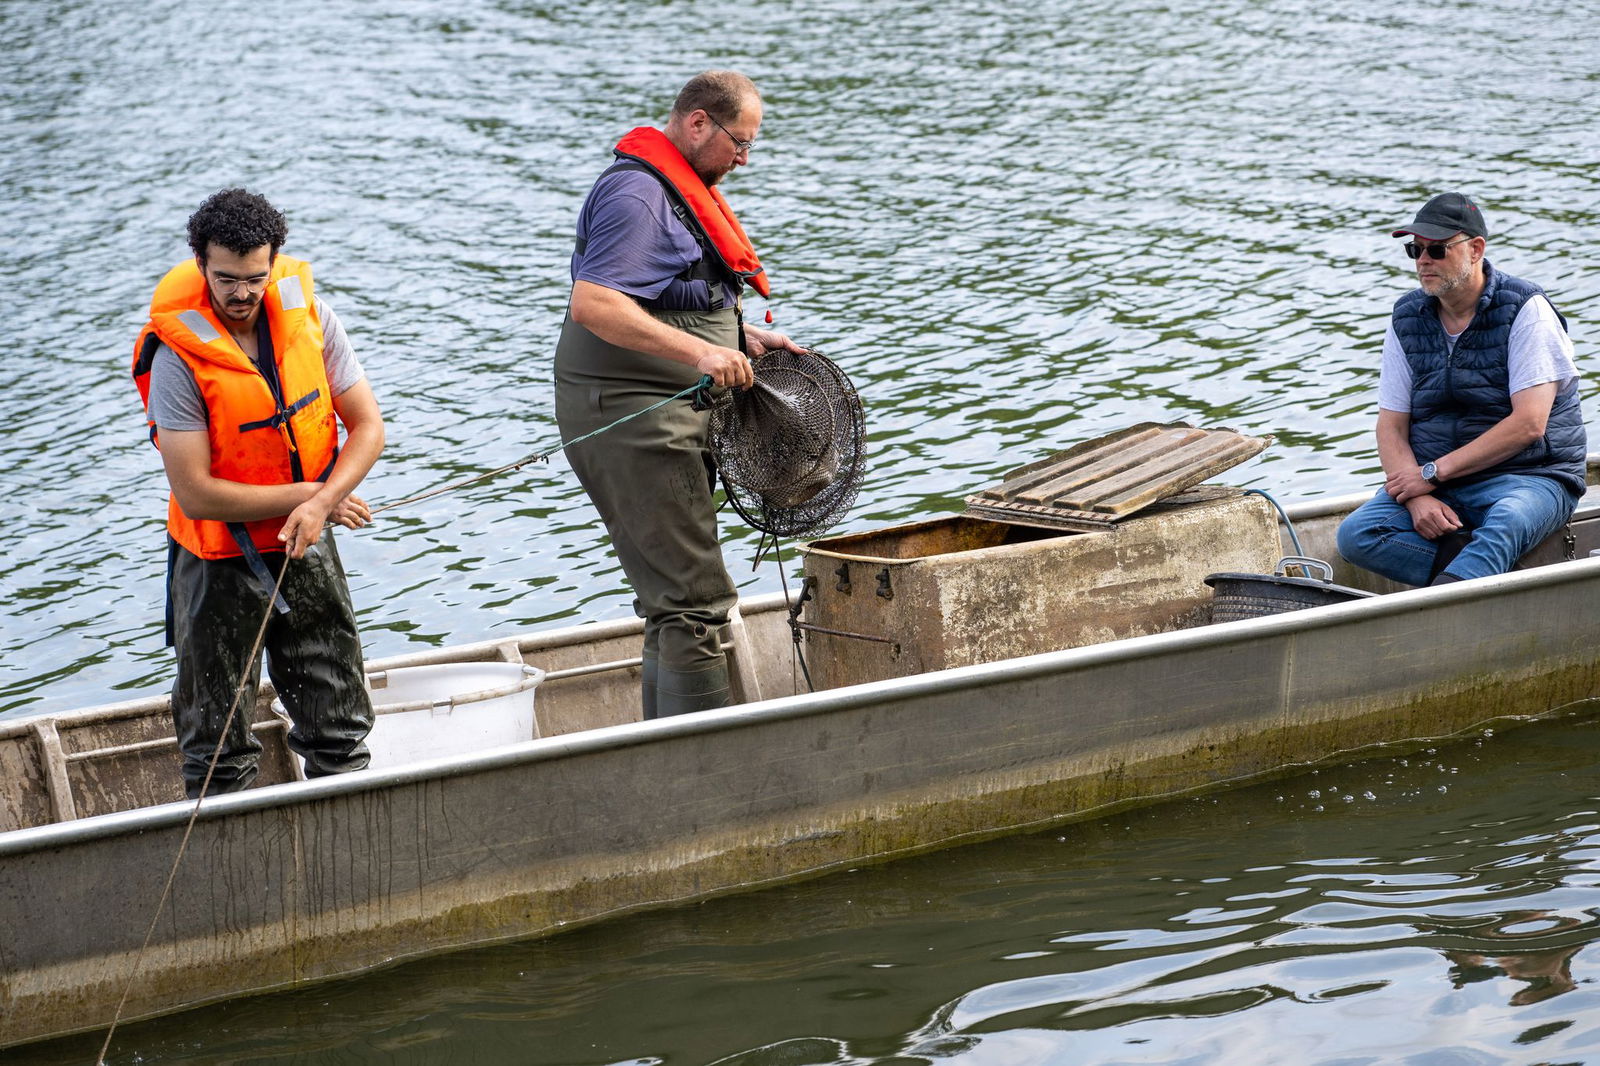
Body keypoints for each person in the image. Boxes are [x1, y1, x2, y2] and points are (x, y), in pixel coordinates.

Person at [553, 70, 801, 719]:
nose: (743, 159)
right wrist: (701, 352)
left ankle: (667, 753)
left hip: (666, 411)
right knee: (693, 603)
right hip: (634, 419)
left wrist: (738, 338)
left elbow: (673, 298)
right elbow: (596, 304)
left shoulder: (676, 190)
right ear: (697, 123)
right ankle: (703, 772)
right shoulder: (638, 196)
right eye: (739, 144)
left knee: (675, 603)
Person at [131, 188, 386, 797]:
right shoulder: (178, 358)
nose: (242, 294)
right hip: (218, 564)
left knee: (340, 725)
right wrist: (311, 495)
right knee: (217, 745)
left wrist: (322, 503)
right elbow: (196, 494)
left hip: (306, 543)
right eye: (225, 279)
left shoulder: (312, 319)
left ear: (273, 264)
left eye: (254, 277)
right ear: (200, 265)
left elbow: (369, 427)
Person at [1336, 192, 1586, 587]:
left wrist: (1432, 474)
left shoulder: (1526, 310)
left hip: (1531, 475)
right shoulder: (1406, 318)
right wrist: (1417, 495)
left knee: (1509, 520)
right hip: (1440, 480)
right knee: (1357, 536)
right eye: (1415, 249)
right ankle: (1483, 573)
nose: (1423, 261)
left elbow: (1529, 425)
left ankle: (1450, 598)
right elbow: (1391, 425)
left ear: (1475, 249)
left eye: (1436, 249)